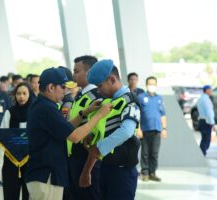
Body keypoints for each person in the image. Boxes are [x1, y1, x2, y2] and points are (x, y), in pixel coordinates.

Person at [25, 67, 112, 200]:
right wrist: (99, 115)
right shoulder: (47, 109)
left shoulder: (43, 105)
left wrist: (84, 113)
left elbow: (65, 129)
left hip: (43, 174)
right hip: (46, 176)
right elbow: (75, 137)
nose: (66, 91)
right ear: (50, 87)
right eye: (63, 87)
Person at [79, 59, 141, 200]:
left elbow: (126, 131)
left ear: (112, 80)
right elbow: (101, 133)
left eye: (100, 86)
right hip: (106, 167)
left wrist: (99, 148)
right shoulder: (107, 102)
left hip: (122, 171)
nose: (98, 90)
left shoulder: (130, 100)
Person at [66, 55, 102, 200]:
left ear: (88, 72)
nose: (73, 75)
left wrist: (88, 167)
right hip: (74, 156)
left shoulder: (96, 97)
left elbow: (96, 131)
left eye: (76, 71)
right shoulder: (81, 95)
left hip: (86, 158)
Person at [0, 83, 33, 200]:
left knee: (29, 192)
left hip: (31, 158)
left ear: (30, 94)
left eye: (24, 93)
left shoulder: (34, 112)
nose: (21, 97)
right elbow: (3, 134)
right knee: (10, 191)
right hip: (11, 159)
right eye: (18, 94)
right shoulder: (10, 112)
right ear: (15, 95)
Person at [139, 76, 167, 182]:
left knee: (154, 153)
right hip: (145, 130)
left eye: (153, 84)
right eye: (150, 84)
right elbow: (137, 114)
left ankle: (152, 173)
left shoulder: (159, 98)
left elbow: (163, 114)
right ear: (146, 85)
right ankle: (144, 173)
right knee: (145, 153)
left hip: (157, 129)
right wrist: (138, 128)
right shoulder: (141, 97)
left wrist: (164, 128)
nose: (152, 86)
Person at [197, 85, 215, 156]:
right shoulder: (206, 99)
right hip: (206, 121)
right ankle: (202, 153)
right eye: (210, 90)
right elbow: (209, 112)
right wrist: (212, 123)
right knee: (206, 139)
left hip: (202, 120)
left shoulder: (201, 98)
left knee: (204, 138)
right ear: (207, 90)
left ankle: (202, 152)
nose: (211, 91)